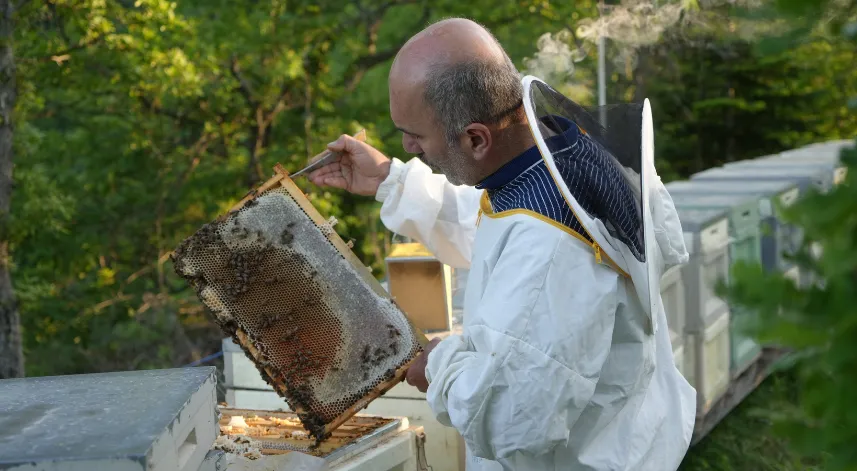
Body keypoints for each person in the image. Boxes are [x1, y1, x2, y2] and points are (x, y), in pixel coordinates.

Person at [308, 18, 696, 471]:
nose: (408, 145)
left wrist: (439, 365)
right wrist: (391, 182)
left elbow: (516, 419)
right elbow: (496, 232)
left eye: (415, 134)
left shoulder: (547, 248)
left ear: (476, 138)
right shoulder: (553, 156)